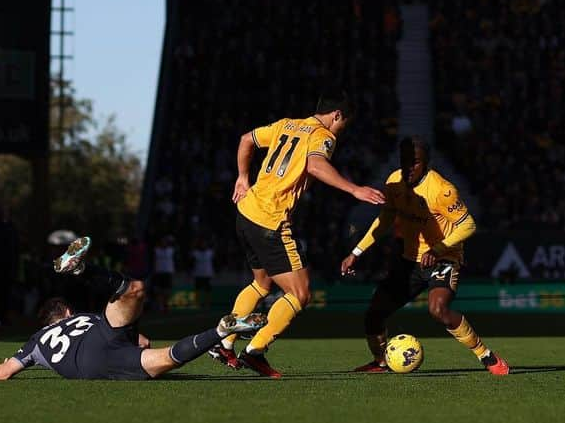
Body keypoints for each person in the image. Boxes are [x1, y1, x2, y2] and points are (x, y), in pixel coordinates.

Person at [210, 91, 385, 378]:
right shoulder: (323, 136)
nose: (342, 130)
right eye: (344, 124)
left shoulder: (286, 124)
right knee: (300, 293)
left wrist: (243, 177)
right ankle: (255, 351)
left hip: (246, 212)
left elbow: (245, 139)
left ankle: (225, 343)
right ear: (337, 115)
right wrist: (354, 189)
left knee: (261, 283)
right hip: (270, 221)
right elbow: (315, 164)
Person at [341, 136, 510, 375]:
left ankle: (486, 355)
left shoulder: (443, 190)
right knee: (374, 313)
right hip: (409, 260)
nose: (409, 167)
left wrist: (438, 249)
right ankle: (380, 362)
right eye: (405, 161)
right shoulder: (394, 183)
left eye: (415, 162)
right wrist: (356, 252)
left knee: (438, 309)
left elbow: (468, 225)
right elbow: (385, 219)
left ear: (427, 163)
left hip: (443, 258)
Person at [0, 238, 266, 381]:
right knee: (134, 289)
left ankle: (220, 331)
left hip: (90, 363)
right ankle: (83, 269)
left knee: (168, 359)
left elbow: (5, 372)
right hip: (104, 336)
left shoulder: (36, 341)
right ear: (68, 313)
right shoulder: (84, 318)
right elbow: (142, 341)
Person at [191, 238, 216, 309]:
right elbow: (191, 262)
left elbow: (215, 261)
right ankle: (197, 303)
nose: (203, 245)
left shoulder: (210, 252)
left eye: (204, 244)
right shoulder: (195, 253)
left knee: (207, 290)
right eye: (202, 244)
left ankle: (207, 304)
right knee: (198, 290)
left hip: (207, 274)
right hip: (198, 274)